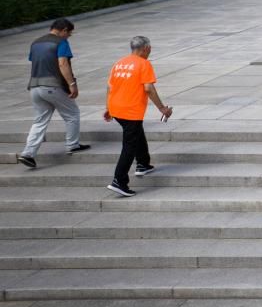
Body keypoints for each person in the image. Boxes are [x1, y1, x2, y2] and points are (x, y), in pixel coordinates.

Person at [103, 36, 172, 197]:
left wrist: (108, 107)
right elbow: (148, 88)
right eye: (150, 48)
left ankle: (143, 163)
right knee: (129, 144)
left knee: (135, 133)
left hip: (116, 108)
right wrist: (162, 108)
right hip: (130, 110)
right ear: (145, 48)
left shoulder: (119, 63)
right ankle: (119, 181)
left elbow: (109, 86)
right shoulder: (144, 64)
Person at [17, 17, 88, 168]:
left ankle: (28, 153)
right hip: (52, 86)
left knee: (40, 121)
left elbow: (37, 62)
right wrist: (72, 84)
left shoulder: (36, 43)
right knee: (72, 114)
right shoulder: (61, 42)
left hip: (35, 87)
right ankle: (72, 145)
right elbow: (62, 63)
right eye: (69, 33)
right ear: (63, 30)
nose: (69, 36)